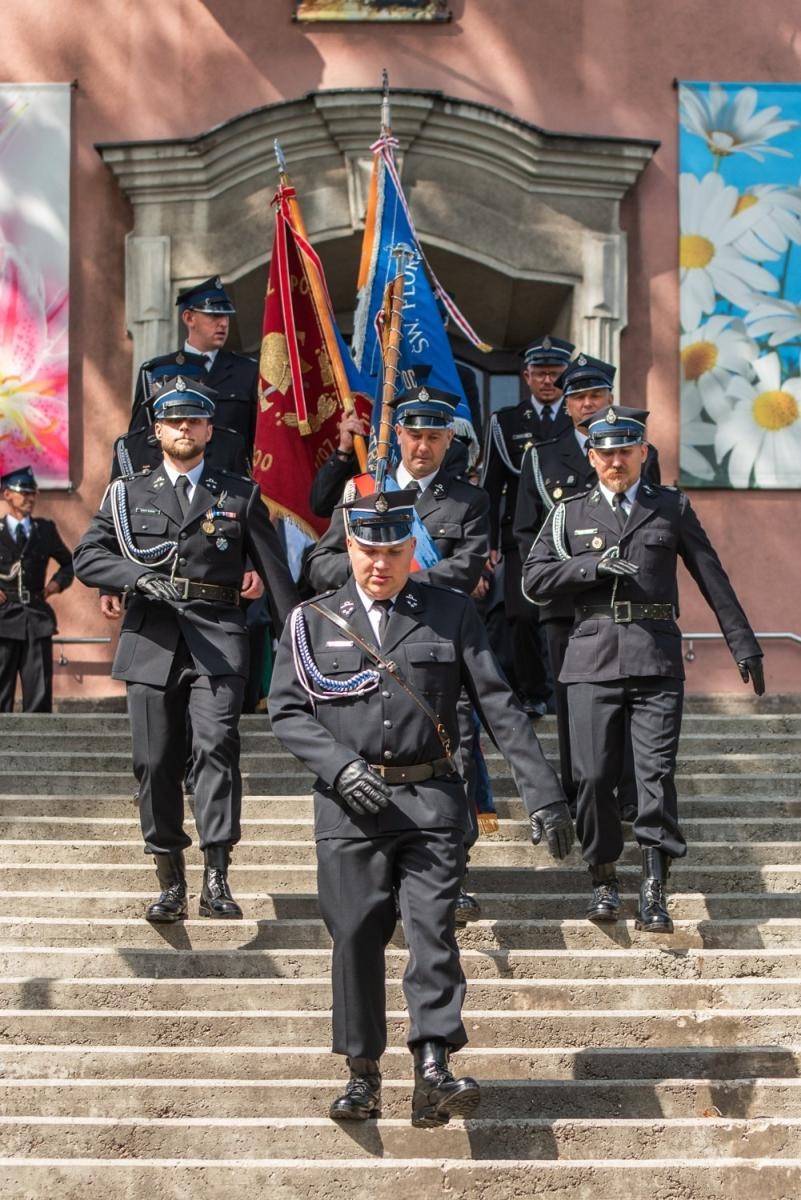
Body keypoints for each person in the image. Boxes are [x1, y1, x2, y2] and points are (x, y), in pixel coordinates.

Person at [267, 488, 573, 1127]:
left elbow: (499, 707)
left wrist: (544, 794)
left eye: (393, 551)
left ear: (413, 551)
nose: (380, 564)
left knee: (433, 930)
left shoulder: (451, 613)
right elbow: (287, 711)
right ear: (349, 548)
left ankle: (433, 1064)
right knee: (354, 937)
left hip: (431, 801)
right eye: (368, 550)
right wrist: (341, 768)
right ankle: (362, 1073)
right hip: (349, 808)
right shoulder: (313, 619)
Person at [523, 405, 764, 934]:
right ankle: (604, 876)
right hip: (588, 659)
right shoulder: (570, 513)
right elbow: (533, 580)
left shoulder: (670, 506)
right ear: (591, 456)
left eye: (624, 451)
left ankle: (654, 885)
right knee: (590, 777)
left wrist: (743, 644)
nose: (615, 461)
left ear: (642, 453)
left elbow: (712, 576)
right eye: (604, 452)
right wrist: (588, 567)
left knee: (654, 777)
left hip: (655, 658)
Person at [73, 377, 298, 923]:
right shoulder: (127, 494)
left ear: (208, 430)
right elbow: (87, 556)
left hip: (217, 636)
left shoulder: (238, 494)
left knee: (217, 747)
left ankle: (216, 876)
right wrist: (134, 577)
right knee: (154, 761)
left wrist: (302, 645)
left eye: (193, 421)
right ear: (157, 430)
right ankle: (169, 878)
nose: (184, 429)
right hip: (151, 637)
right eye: (174, 421)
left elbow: (277, 578)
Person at [304, 384, 491, 922]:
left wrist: (403, 580)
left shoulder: (467, 500)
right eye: (413, 435)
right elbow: (321, 566)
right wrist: (382, 574)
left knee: (454, 757)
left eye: (434, 436)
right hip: (372, 649)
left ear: (448, 438)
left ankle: (454, 870)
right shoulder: (365, 489)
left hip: (440, 649)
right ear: (399, 436)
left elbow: (470, 567)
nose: (423, 446)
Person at [514, 355, 660, 813]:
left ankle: (631, 797)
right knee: (572, 709)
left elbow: (646, 518)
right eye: (578, 397)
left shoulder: (635, 452)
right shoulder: (539, 455)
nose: (587, 403)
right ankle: (582, 794)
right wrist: (562, 580)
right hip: (565, 607)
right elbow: (525, 532)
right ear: (566, 404)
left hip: (625, 605)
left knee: (632, 706)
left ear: (610, 399)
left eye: (596, 395)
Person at [480, 335, 575, 716]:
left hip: (573, 534)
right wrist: (487, 540)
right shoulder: (506, 422)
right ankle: (533, 692)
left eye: (555, 374)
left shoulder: (579, 420)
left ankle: (567, 695)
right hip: (523, 534)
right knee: (520, 615)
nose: (548, 381)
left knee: (568, 616)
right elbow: (490, 485)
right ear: (526, 376)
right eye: (541, 373)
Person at [129, 276, 258, 464]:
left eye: (225, 316)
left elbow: (258, 439)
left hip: (230, 486)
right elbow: (139, 440)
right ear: (189, 318)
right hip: (173, 484)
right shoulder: (156, 371)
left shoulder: (247, 371)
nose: (223, 323)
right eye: (214, 315)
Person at [0, 466, 73, 712]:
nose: (30, 498)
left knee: (39, 691)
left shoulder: (45, 530)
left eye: (33, 493)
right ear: (8, 494)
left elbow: (69, 563)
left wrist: (56, 585)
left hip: (36, 616)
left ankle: (40, 747)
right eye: (24, 493)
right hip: (3, 616)